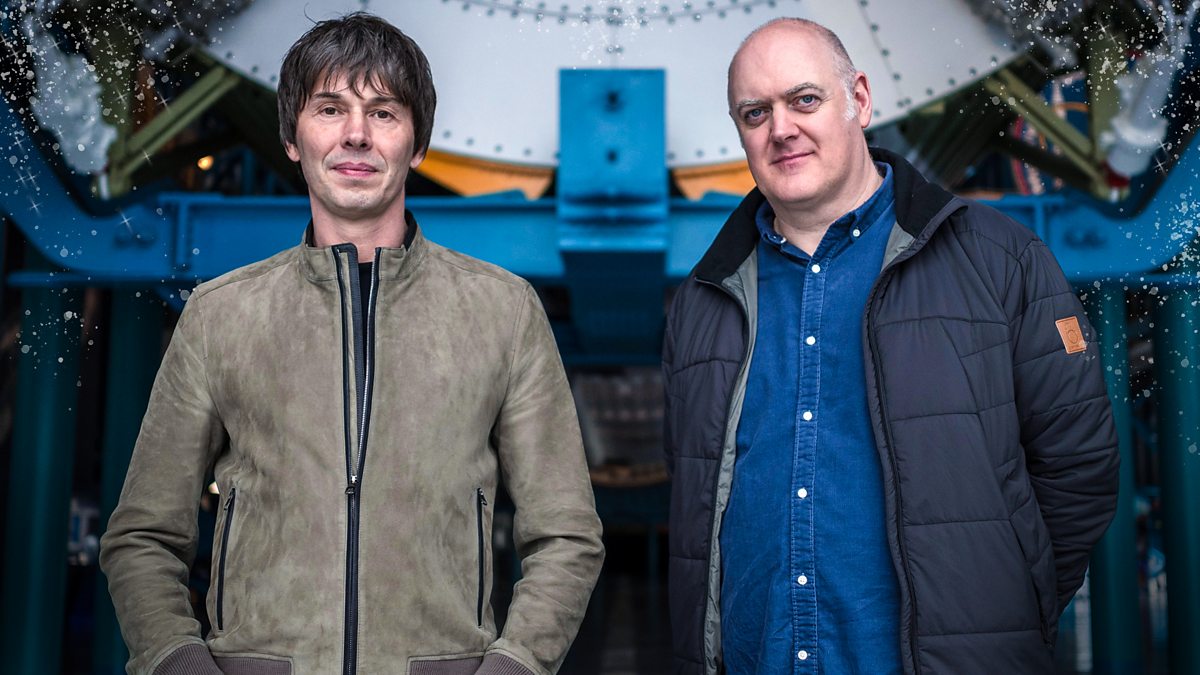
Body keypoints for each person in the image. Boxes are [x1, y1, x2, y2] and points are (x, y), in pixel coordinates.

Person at [100, 12, 603, 675]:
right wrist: (179, 662)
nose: (357, 134)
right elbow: (141, 536)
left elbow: (567, 534)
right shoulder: (220, 315)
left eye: (384, 113)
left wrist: (514, 666)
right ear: (292, 137)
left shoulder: (503, 311)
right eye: (330, 109)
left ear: (417, 143)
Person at [661, 17, 1119, 675]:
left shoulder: (1001, 260)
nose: (781, 128)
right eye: (755, 112)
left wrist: (1009, 605)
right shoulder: (704, 301)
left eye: (804, 100)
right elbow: (696, 491)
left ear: (860, 99)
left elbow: (1079, 467)